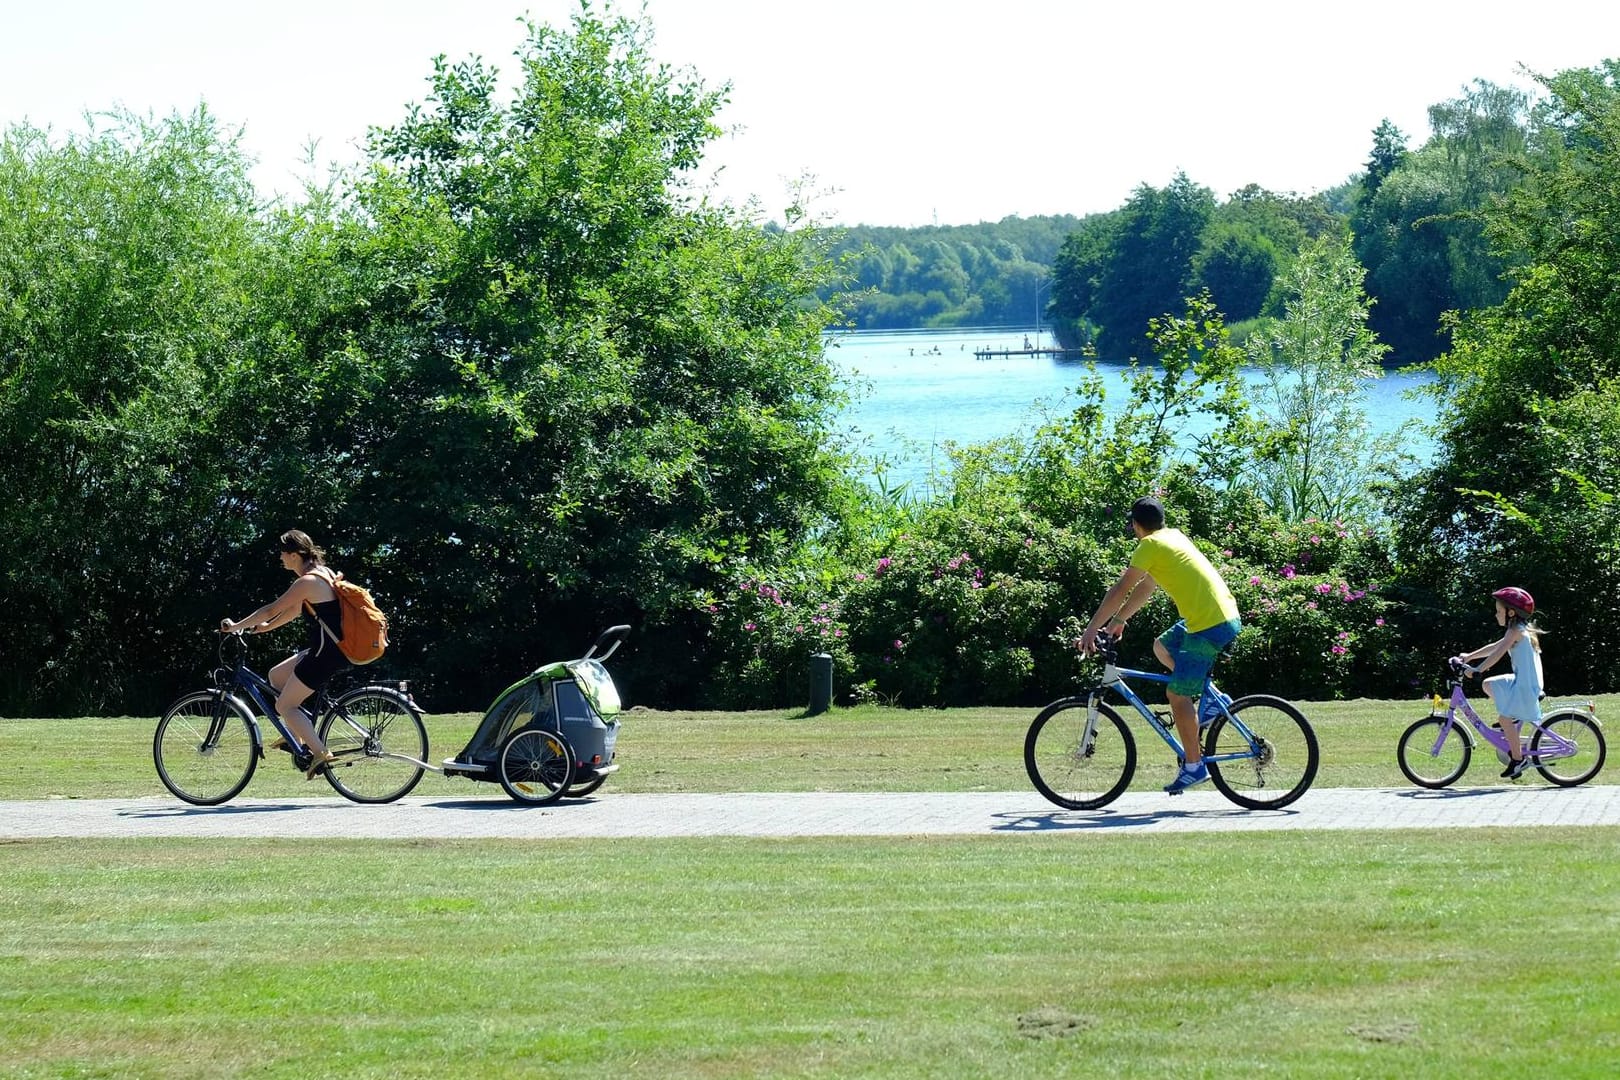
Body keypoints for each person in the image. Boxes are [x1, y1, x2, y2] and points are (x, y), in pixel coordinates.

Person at [1079, 497, 1242, 794]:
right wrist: (1118, 620)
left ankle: (1194, 766)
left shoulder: (1149, 545)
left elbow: (1120, 588)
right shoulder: (1172, 537)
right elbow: (1146, 586)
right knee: (1162, 647)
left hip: (1209, 624)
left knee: (1177, 695)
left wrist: (1092, 628)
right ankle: (1215, 701)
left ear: (1136, 525)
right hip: (1216, 616)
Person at [219, 529, 352, 778]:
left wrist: (236, 626)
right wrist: (267, 628)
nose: (280, 557)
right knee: (276, 676)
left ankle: (320, 753)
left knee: (285, 705)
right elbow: (294, 610)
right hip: (328, 649)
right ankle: (297, 734)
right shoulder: (323, 574)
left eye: (282, 553)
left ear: (293, 555)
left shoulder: (306, 581)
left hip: (326, 654)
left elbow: (271, 609)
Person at [1454, 586, 1544, 779]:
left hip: (1526, 686)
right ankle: (1513, 720)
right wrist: (1470, 657)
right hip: (1522, 681)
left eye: (1498, 611)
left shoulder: (1516, 632)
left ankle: (1518, 760)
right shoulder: (1515, 630)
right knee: (1488, 684)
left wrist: (1477, 670)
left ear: (1511, 612)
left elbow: (1498, 653)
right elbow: (1495, 646)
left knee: (1504, 719)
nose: (1496, 615)